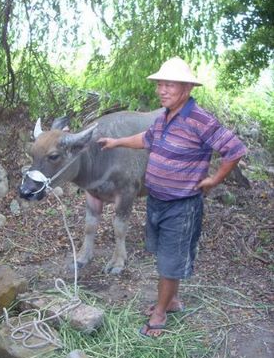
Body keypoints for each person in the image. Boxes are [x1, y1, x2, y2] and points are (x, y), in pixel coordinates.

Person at [98, 57, 247, 337]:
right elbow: (146, 139)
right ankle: (173, 300)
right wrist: (116, 142)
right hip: (157, 200)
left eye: (170, 85)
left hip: (182, 205)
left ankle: (160, 313)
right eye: (160, 85)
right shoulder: (165, 116)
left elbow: (235, 149)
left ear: (187, 88)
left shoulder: (199, 119)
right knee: (168, 257)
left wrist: (215, 179)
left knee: (169, 260)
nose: (162, 90)